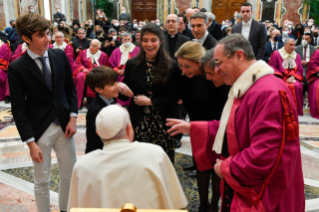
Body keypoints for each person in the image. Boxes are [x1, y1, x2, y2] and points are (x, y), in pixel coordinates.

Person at [167, 34, 305, 212]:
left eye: (218, 62)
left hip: (265, 195)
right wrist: (193, 127)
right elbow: (234, 128)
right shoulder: (249, 87)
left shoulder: (266, 92)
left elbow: (264, 154)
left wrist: (226, 167)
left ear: (239, 56)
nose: (216, 70)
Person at [8, 12, 78, 212]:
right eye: (41, 35)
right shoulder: (17, 67)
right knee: (41, 180)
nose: (48, 39)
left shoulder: (59, 55)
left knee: (69, 176)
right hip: (39, 131)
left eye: (47, 33)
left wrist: (73, 117)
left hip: (64, 125)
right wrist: (30, 142)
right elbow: (18, 109)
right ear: (26, 38)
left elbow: (70, 89)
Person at [67, 104, 187, 209]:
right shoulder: (155, 154)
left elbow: (76, 207)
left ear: (98, 133)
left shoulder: (83, 166)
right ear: (130, 129)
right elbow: (176, 202)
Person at [175, 42, 229, 212]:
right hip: (198, 127)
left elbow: (224, 104)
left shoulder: (215, 75)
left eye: (187, 66)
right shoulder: (183, 77)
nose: (183, 70)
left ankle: (214, 204)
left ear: (199, 63)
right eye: (180, 66)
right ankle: (203, 204)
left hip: (218, 126)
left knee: (217, 166)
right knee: (201, 165)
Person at [118, 23, 180, 163]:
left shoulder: (171, 66)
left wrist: (151, 102)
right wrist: (120, 88)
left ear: (160, 41)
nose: (149, 44)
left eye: (153, 40)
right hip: (139, 121)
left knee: (161, 163)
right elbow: (125, 93)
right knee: (140, 162)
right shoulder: (132, 64)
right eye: (145, 40)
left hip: (163, 122)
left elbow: (174, 97)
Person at [85, 67, 119, 153]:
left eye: (116, 82)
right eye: (112, 84)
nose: (117, 86)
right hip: (99, 151)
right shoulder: (96, 110)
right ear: (99, 89)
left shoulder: (112, 99)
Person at [268, 38, 304, 115]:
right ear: (285, 45)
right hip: (280, 77)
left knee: (297, 86)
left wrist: (292, 77)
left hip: (292, 77)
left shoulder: (297, 56)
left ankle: (295, 110)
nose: (293, 47)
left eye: (294, 45)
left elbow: (300, 69)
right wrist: (279, 77)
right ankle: (280, 109)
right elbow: (273, 66)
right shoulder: (276, 54)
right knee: (280, 86)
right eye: (290, 45)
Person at [73, 39, 109, 109]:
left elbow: (106, 68)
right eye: (91, 45)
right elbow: (77, 63)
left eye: (94, 46)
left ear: (99, 47)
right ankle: (79, 101)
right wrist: (83, 68)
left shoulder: (103, 55)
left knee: (95, 77)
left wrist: (96, 70)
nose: (91, 47)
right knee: (80, 77)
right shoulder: (83, 52)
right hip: (84, 71)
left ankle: (91, 101)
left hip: (97, 72)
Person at [109, 32, 139, 107]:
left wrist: (127, 72)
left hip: (132, 75)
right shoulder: (116, 50)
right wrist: (117, 70)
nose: (127, 41)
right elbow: (111, 63)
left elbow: (139, 63)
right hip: (118, 74)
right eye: (125, 40)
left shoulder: (137, 50)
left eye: (128, 39)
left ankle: (131, 103)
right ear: (122, 41)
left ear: (132, 40)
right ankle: (119, 103)